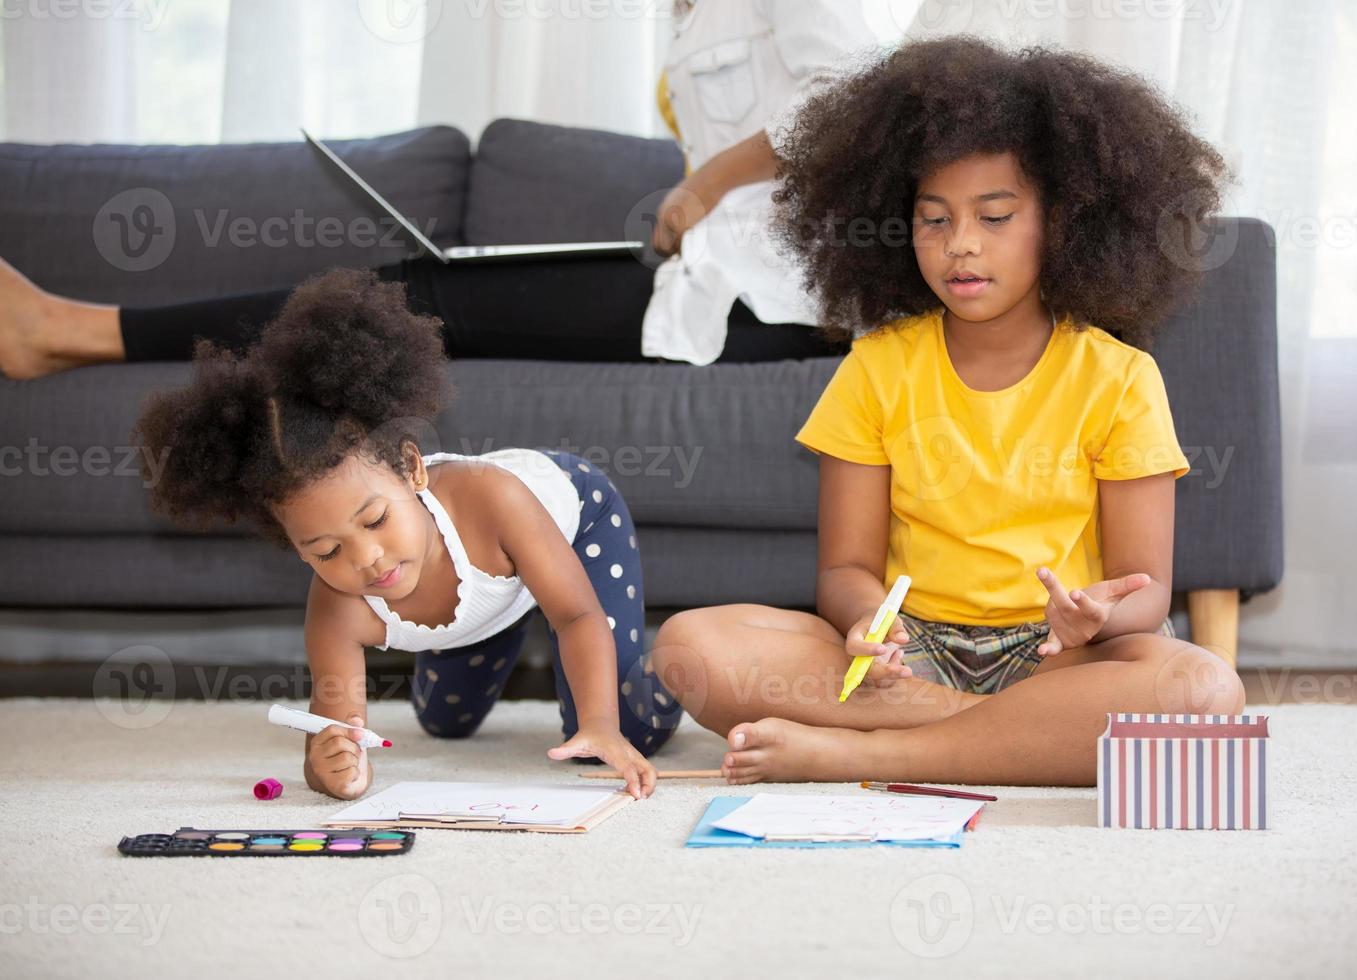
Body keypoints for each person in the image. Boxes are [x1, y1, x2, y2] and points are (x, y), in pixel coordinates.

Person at [648, 37, 1246, 787]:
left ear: (1063, 223)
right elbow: (845, 569)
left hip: (1062, 662)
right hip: (910, 659)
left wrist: (1096, 615)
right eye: (935, 220)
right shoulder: (876, 367)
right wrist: (869, 618)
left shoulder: (1121, 378)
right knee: (688, 647)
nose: (960, 246)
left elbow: (1145, 589)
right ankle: (1014, 743)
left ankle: (870, 753)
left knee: (1205, 689)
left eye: (994, 216)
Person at [0, 0, 877, 380]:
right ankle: (72, 331)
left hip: (777, 300)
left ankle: (67, 332)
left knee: (414, 303)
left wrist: (708, 184)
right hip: (721, 278)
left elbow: (857, 92)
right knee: (412, 299)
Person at [134, 267, 682, 801]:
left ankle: (678, 664)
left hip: (571, 519)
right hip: (492, 576)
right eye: (326, 551)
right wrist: (332, 769)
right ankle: (510, 609)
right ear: (294, 548)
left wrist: (601, 725)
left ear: (411, 468)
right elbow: (332, 731)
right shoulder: (337, 610)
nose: (367, 558)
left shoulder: (497, 499)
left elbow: (576, 616)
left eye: (375, 521)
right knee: (446, 723)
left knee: (622, 729)